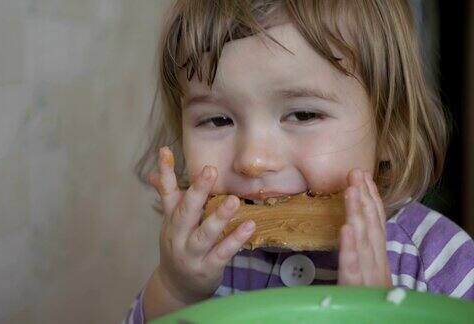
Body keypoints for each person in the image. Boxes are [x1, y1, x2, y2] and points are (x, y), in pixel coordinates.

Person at [125, 0, 474, 322]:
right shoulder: (206, 259)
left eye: (303, 114)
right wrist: (175, 291)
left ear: (390, 131)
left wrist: (374, 313)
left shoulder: (439, 263)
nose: (253, 161)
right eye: (217, 120)